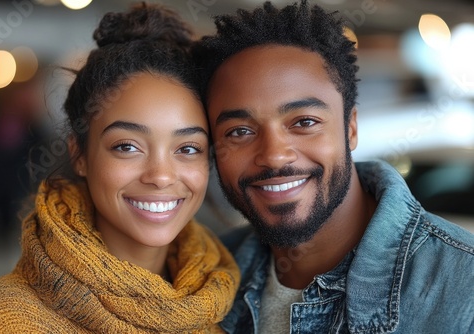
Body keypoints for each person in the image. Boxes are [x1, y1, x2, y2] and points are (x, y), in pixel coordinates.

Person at [192, 1, 474, 333]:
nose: (274, 156)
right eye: (240, 131)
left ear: (350, 128)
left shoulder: (463, 287)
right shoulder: (204, 275)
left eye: (304, 122)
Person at [0, 2, 239, 333]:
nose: (160, 175)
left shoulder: (228, 306)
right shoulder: (1, 319)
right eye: (127, 146)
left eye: (187, 148)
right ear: (80, 155)